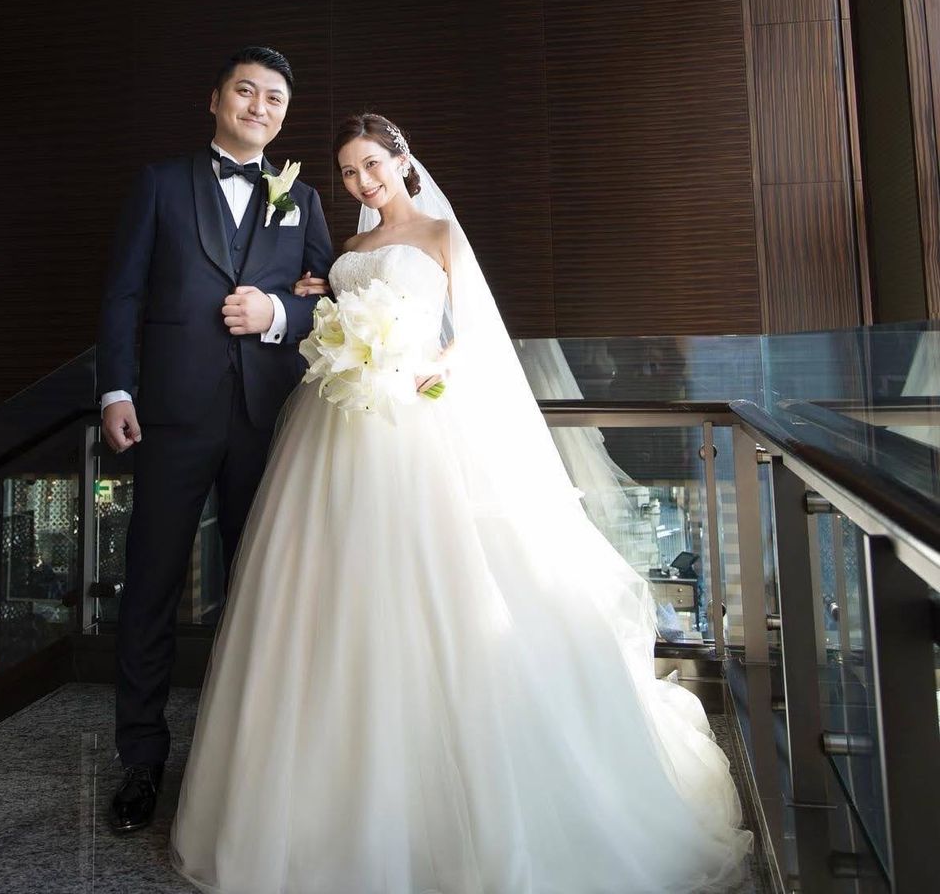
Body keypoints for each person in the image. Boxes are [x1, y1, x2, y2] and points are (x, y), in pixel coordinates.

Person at [169, 112, 753, 893]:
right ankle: (322, 804)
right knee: (328, 593)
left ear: (401, 160)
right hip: (335, 423)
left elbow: (473, 336)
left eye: (371, 164)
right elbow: (324, 316)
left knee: (439, 586)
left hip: (417, 421)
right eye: (348, 172)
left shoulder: (442, 236)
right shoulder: (343, 254)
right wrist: (325, 318)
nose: (361, 182)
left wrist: (429, 369)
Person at [96, 46, 334, 833]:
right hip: (170, 415)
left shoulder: (302, 197)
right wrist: (117, 388)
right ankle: (141, 761)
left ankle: (253, 763)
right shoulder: (160, 184)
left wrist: (278, 313)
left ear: (284, 116)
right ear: (216, 99)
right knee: (152, 584)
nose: (259, 106)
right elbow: (124, 292)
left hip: (270, 421)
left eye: (274, 99)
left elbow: (330, 298)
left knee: (264, 588)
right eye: (246, 91)